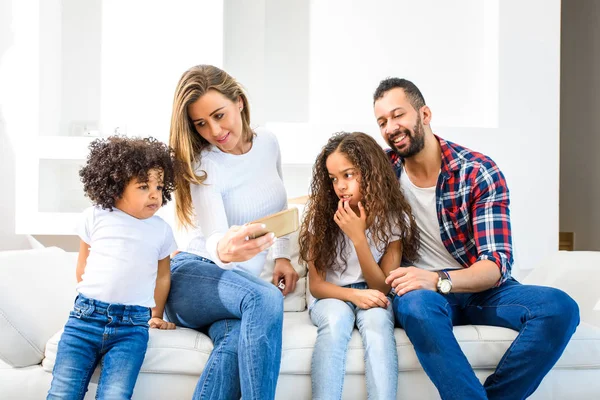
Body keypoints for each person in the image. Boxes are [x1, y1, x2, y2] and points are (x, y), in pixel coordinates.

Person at [372, 77, 580, 400]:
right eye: (382, 121)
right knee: (414, 305)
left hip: (481, 289)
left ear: (424, 115)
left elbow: (495, 266)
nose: (391, 127)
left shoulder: (477, 171)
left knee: (560, 308)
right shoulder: (382, 171)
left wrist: (437, 279)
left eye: (398, 115)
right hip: (425, 297)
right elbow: (333, 188)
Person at [165, 64, 299, 400]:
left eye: (219, 115)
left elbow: (279, 208)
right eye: (201, 124)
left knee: (236, 341)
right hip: (193, 277)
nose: (214, 130)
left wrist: (282, 256)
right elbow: (214, 239)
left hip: (234, 292)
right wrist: (226, 249)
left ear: (239, 102)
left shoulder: (268, 143)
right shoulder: (204, 165)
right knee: (264, 297)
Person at [47, 136, 178, 400]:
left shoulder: (161, 230)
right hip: (84, 320)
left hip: (131, 328)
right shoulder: (95, 216)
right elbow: (83, 263)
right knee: (62, 393)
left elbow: (163, 275)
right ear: (115, 186)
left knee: (116, 395)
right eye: (143, 186)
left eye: (159, 186)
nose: (155, 194)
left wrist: (157, 313)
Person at [299, 132, 420, 400]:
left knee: (378, 322)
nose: (340, 186)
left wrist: (358, 238)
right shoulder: (319, 217)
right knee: (337, 319)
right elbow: (317, 286)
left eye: (348, 175)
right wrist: (354, 295)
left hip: (372, 289)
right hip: (332, 295)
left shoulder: (393, 218)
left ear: (371, 171)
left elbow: (382, 286)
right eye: (333, 179)